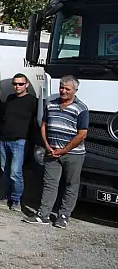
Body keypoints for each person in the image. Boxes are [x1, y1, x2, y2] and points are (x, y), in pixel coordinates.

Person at [24, 75, 88, 229]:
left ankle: (64, 216)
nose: (63, 91)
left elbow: (82, 134)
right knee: (49, 184)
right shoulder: (51, 105)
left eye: (67, 89)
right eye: (61, 87)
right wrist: (48, 145)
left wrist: (64, 150)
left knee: (71, 184)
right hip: (52, 152)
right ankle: (43, 215)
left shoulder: (81, 108)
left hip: (73, 154)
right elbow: (44, 125)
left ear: (75, 90)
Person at [0, 73, 38, 210]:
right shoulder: (10, 98)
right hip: (4, 140)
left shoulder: (32, 101)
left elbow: (35, 122)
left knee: (15, 172)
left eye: (20, 84)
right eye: (15, 84)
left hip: (19, 141)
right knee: (5, 170)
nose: (17, 86)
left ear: (27, 85)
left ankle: (17, 200)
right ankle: (6, 197)